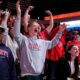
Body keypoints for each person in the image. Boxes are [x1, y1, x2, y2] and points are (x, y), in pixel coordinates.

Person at [13, 1, 66, 80]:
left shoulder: (42, 42)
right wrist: (19, 14)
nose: (37, 28)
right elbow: (16, 33)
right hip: (27, 75)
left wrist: (60, 31)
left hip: (38, 75)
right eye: (34, 26)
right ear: (28, 28)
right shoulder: (24, 40)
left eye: (38, 27)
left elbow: (53, 43)